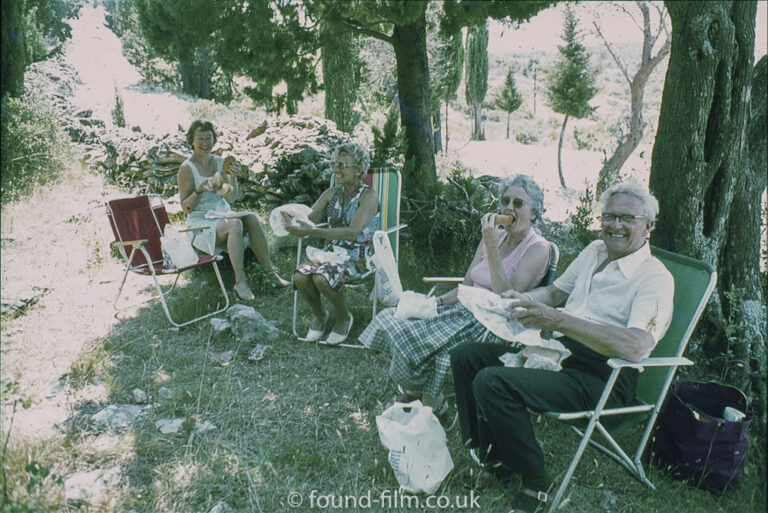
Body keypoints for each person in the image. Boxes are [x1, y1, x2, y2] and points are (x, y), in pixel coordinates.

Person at [450, 180, 674, 513]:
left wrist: (558, 322)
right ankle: (494, 461)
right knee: (466, 356)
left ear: (648, 226)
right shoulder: (594, 252)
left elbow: (636, 345)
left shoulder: (654, 277)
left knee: (493, 382)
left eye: (627, 218)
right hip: (557, 354)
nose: (615, 225)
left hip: (603, 376)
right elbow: (555, 294)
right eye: (609, 216)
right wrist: (522, 299)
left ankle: (537, 486)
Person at [359, 175, 551, 427]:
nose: (509, 208)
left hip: (492, 325)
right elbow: (468, 284)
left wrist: (491, 247)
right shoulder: (493, 237)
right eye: (505, 201)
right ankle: (424, 395)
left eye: (518, 204)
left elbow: (508, 298)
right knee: (394, 318)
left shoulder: (538, 248)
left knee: (425, 344)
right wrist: (436, 302)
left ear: (534, 213)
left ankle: (428, 400)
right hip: (464, 310)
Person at [178, 119, 289, 301]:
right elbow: (185, 207)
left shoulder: (220, 161)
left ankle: (270, 272)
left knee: (251, 218)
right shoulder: (186, 168)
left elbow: (230, 197)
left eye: (209, 138)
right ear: (192, 140)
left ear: (214, 140)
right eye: (200, 139)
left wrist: (232, 177)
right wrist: (199, 190)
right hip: (200, 222)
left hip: (222, 214)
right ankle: (240, 281)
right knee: (235, 224)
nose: (205, 144)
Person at [285, 142, 379, 345]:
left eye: (343, 165)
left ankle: (344, 316)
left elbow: (353, 233)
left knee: (321, 277)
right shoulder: (330, 194)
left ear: (358, 169)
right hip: (330, 254)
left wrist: (313, 231)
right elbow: (307, 218)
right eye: (335, 164)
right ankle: (320, 315)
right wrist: (288, 220)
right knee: (300, 276)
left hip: (359, 256)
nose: (336, 169)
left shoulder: (369, 197)